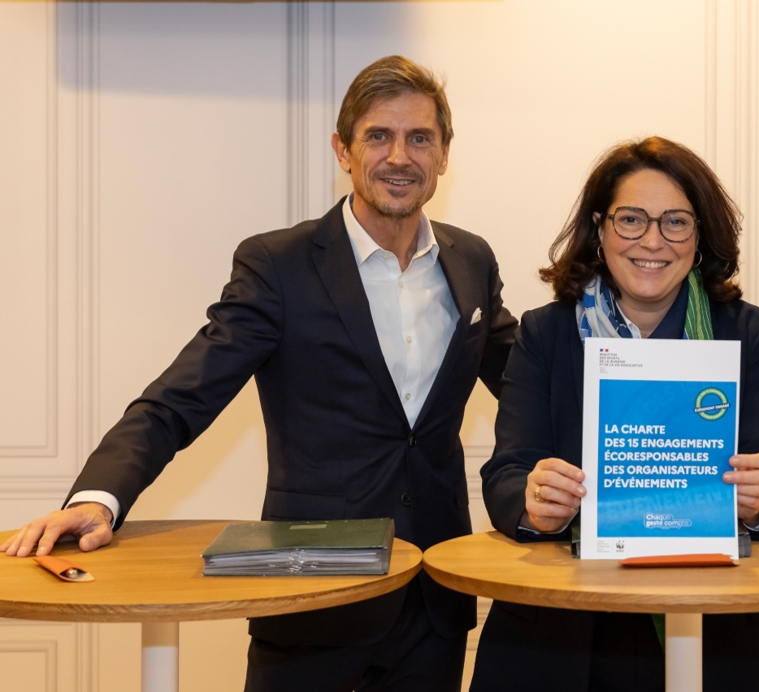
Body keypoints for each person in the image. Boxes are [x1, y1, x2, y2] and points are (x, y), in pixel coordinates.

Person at [0, 55, 517, 692]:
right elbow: (179, 398)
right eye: (378, 136)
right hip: (310, 598)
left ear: (443, 154)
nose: (399, 156)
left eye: (420, 138)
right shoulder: (280, 264)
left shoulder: (472, 261)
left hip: (432, 603)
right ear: (343, 149)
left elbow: (528, 379)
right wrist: (97, 497)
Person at [472, 136, 759, 692]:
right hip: (567, 630)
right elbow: (506, 473)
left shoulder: (747, 333)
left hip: (716, 629)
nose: (652, 240)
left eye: (676, 221)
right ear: (599, 230)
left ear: (700, 237)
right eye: (631, 219)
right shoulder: (546, 333)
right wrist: (532, 500)